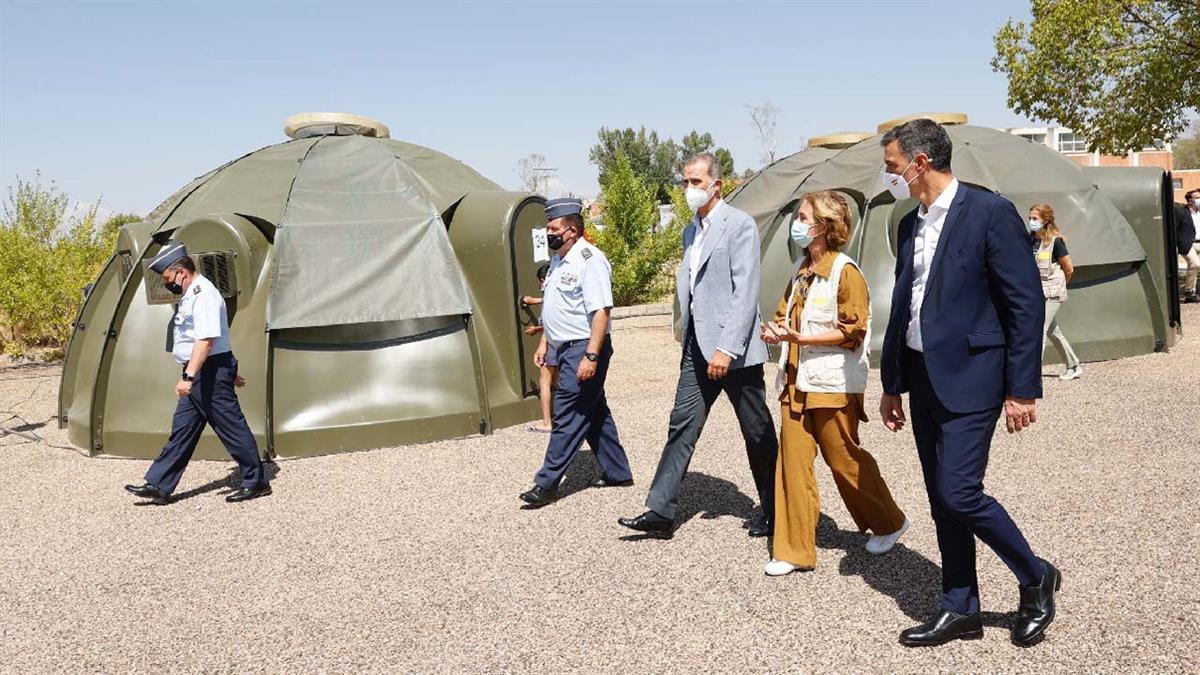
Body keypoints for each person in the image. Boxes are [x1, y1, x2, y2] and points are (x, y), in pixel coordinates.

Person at [877, 120, 1060, 648]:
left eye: (892, 166)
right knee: (941, 500)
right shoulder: (909, 223)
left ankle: (1036, 576)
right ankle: (960, 607)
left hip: (974, 377)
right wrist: (892, 382)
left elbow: (1025, 303)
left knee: (959, 492)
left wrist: (1022, 388)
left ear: (920, 162)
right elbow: (905, 305)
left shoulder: (988, 212)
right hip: (922, 376)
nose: (888, 176)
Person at [618, 152, 778, 540]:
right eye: (685, 181)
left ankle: (776, 510)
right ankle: (660, 511)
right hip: (696, 346)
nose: (688, 188)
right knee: (682, 423)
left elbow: (745, 293)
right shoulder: (691, 230)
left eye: (695, 182)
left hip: (734, 351)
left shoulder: (738, 225)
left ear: (716, 184)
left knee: (756, 431)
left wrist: (727, 348)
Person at [759, 191, 909, 576]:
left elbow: (853, 332)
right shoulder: (800, 270)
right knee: (792, 463)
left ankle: (890, 522)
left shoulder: (846, 272)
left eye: (803, 217)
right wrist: (776, 331)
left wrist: (802, 338)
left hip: (831, 383)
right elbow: (785, 315)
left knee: (843, 459)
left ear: (824, 226)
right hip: (794, 381)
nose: (796, 223)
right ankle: (794, 550)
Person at [124, 241, 271, 505]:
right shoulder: (192, 294)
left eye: (168, 278)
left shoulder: (204, 295)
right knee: (182, 430)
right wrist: (225, 369)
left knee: (231, 427)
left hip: (208, 371)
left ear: (181, 271)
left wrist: (189, 377)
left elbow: (206, 341)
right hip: (207, 369)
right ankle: (159, 485)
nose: (167, 283)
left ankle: (256, 481)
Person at [518, 198, 633, 507]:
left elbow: (601, 312)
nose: (549, 233)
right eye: (548, 228)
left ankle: (546, 483)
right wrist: (546, 343)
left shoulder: (589, 260)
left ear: (571, 229)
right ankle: (617, 472)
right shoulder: (558, 260)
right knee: (593, 411)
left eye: (554, 228)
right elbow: (557, 308)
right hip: (564, 346)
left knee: (567, 411)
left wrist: (591, 356)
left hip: (584, 346)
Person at [1029, 204, 1083, 380]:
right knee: (1053, 330)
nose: (1031, 221)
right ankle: (1073, 366)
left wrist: (1060, 286)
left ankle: (1032, 374)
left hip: (1053, 291)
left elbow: (1069, 269)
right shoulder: (1031, 239)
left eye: (1035, 218)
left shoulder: (1056, 241)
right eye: (1030, 218)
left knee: (1040, 329)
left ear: (1045, 220)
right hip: (1038, 291)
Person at [522, 263, 555, 433]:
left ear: (542, 280)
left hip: (551, 343)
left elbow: (550, 322)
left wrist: (537, 330)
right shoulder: (557, 290)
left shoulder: (549, 291)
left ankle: (547, 422)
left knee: (545, 382)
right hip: (563, 342)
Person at [1176, 189, 1200, 303]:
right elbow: (1174, 229)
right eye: (1197, 198)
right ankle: (1189, 292)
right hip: (1188, 244)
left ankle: (1194, 291)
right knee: (1195, 264)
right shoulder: (1181, 212)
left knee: (1195, 266)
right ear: (1190, 201)